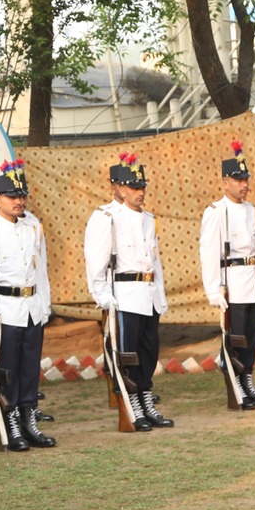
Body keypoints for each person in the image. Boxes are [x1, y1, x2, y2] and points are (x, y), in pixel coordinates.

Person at [0, 160, 53, 450]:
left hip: (31, 306)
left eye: (22, 196)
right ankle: (10, 423)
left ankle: (29, 419)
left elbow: (40, 268)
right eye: (12, 196)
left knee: (29, 368)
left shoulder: (32, 226)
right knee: (7, 371)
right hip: (4, 309)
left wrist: (45, 303)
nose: (19, 201)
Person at [85, 154, 173, 431]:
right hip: (124, 295)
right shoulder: (107, 218)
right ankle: (132, 405)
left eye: (142, 187)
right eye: (134, 187)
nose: (140, 192)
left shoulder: (149, 219)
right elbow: (96, 260)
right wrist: (102, 295)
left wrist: (160, 295)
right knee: (127, 356)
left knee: (149, 352)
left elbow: (154, 261)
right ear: (120, 189)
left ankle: (146, 401)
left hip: (147, 294)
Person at [200, 141, 255, 411]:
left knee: (251, 336)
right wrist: (213, 289)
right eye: (237, 179)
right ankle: (236, 385)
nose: (244, 184)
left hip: (251, 280)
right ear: (225, 182)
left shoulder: (251, 209)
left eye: (245, 179)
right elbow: (209, 252)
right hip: (231, 282)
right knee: (235, 338)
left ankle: (248, 382)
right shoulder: (216, 212)